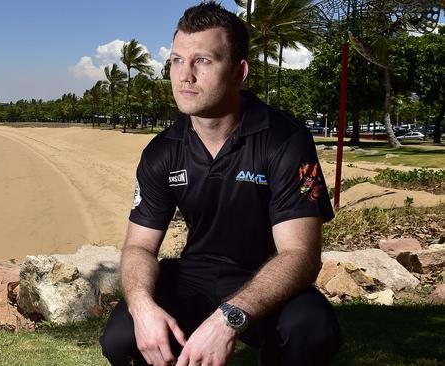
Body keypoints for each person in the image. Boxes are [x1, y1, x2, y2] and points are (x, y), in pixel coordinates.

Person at [99, 2, 342, 365]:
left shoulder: (284, 140)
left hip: (265, 276)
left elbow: (301, 257)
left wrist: (229, 318)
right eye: (177, 60)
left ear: (238, 72)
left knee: (312, 331)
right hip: (193, 275)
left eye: (203, 61)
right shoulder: (162, 151)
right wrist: (143, 306)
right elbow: (139, 248)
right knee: (121, 337)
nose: (184, 76)